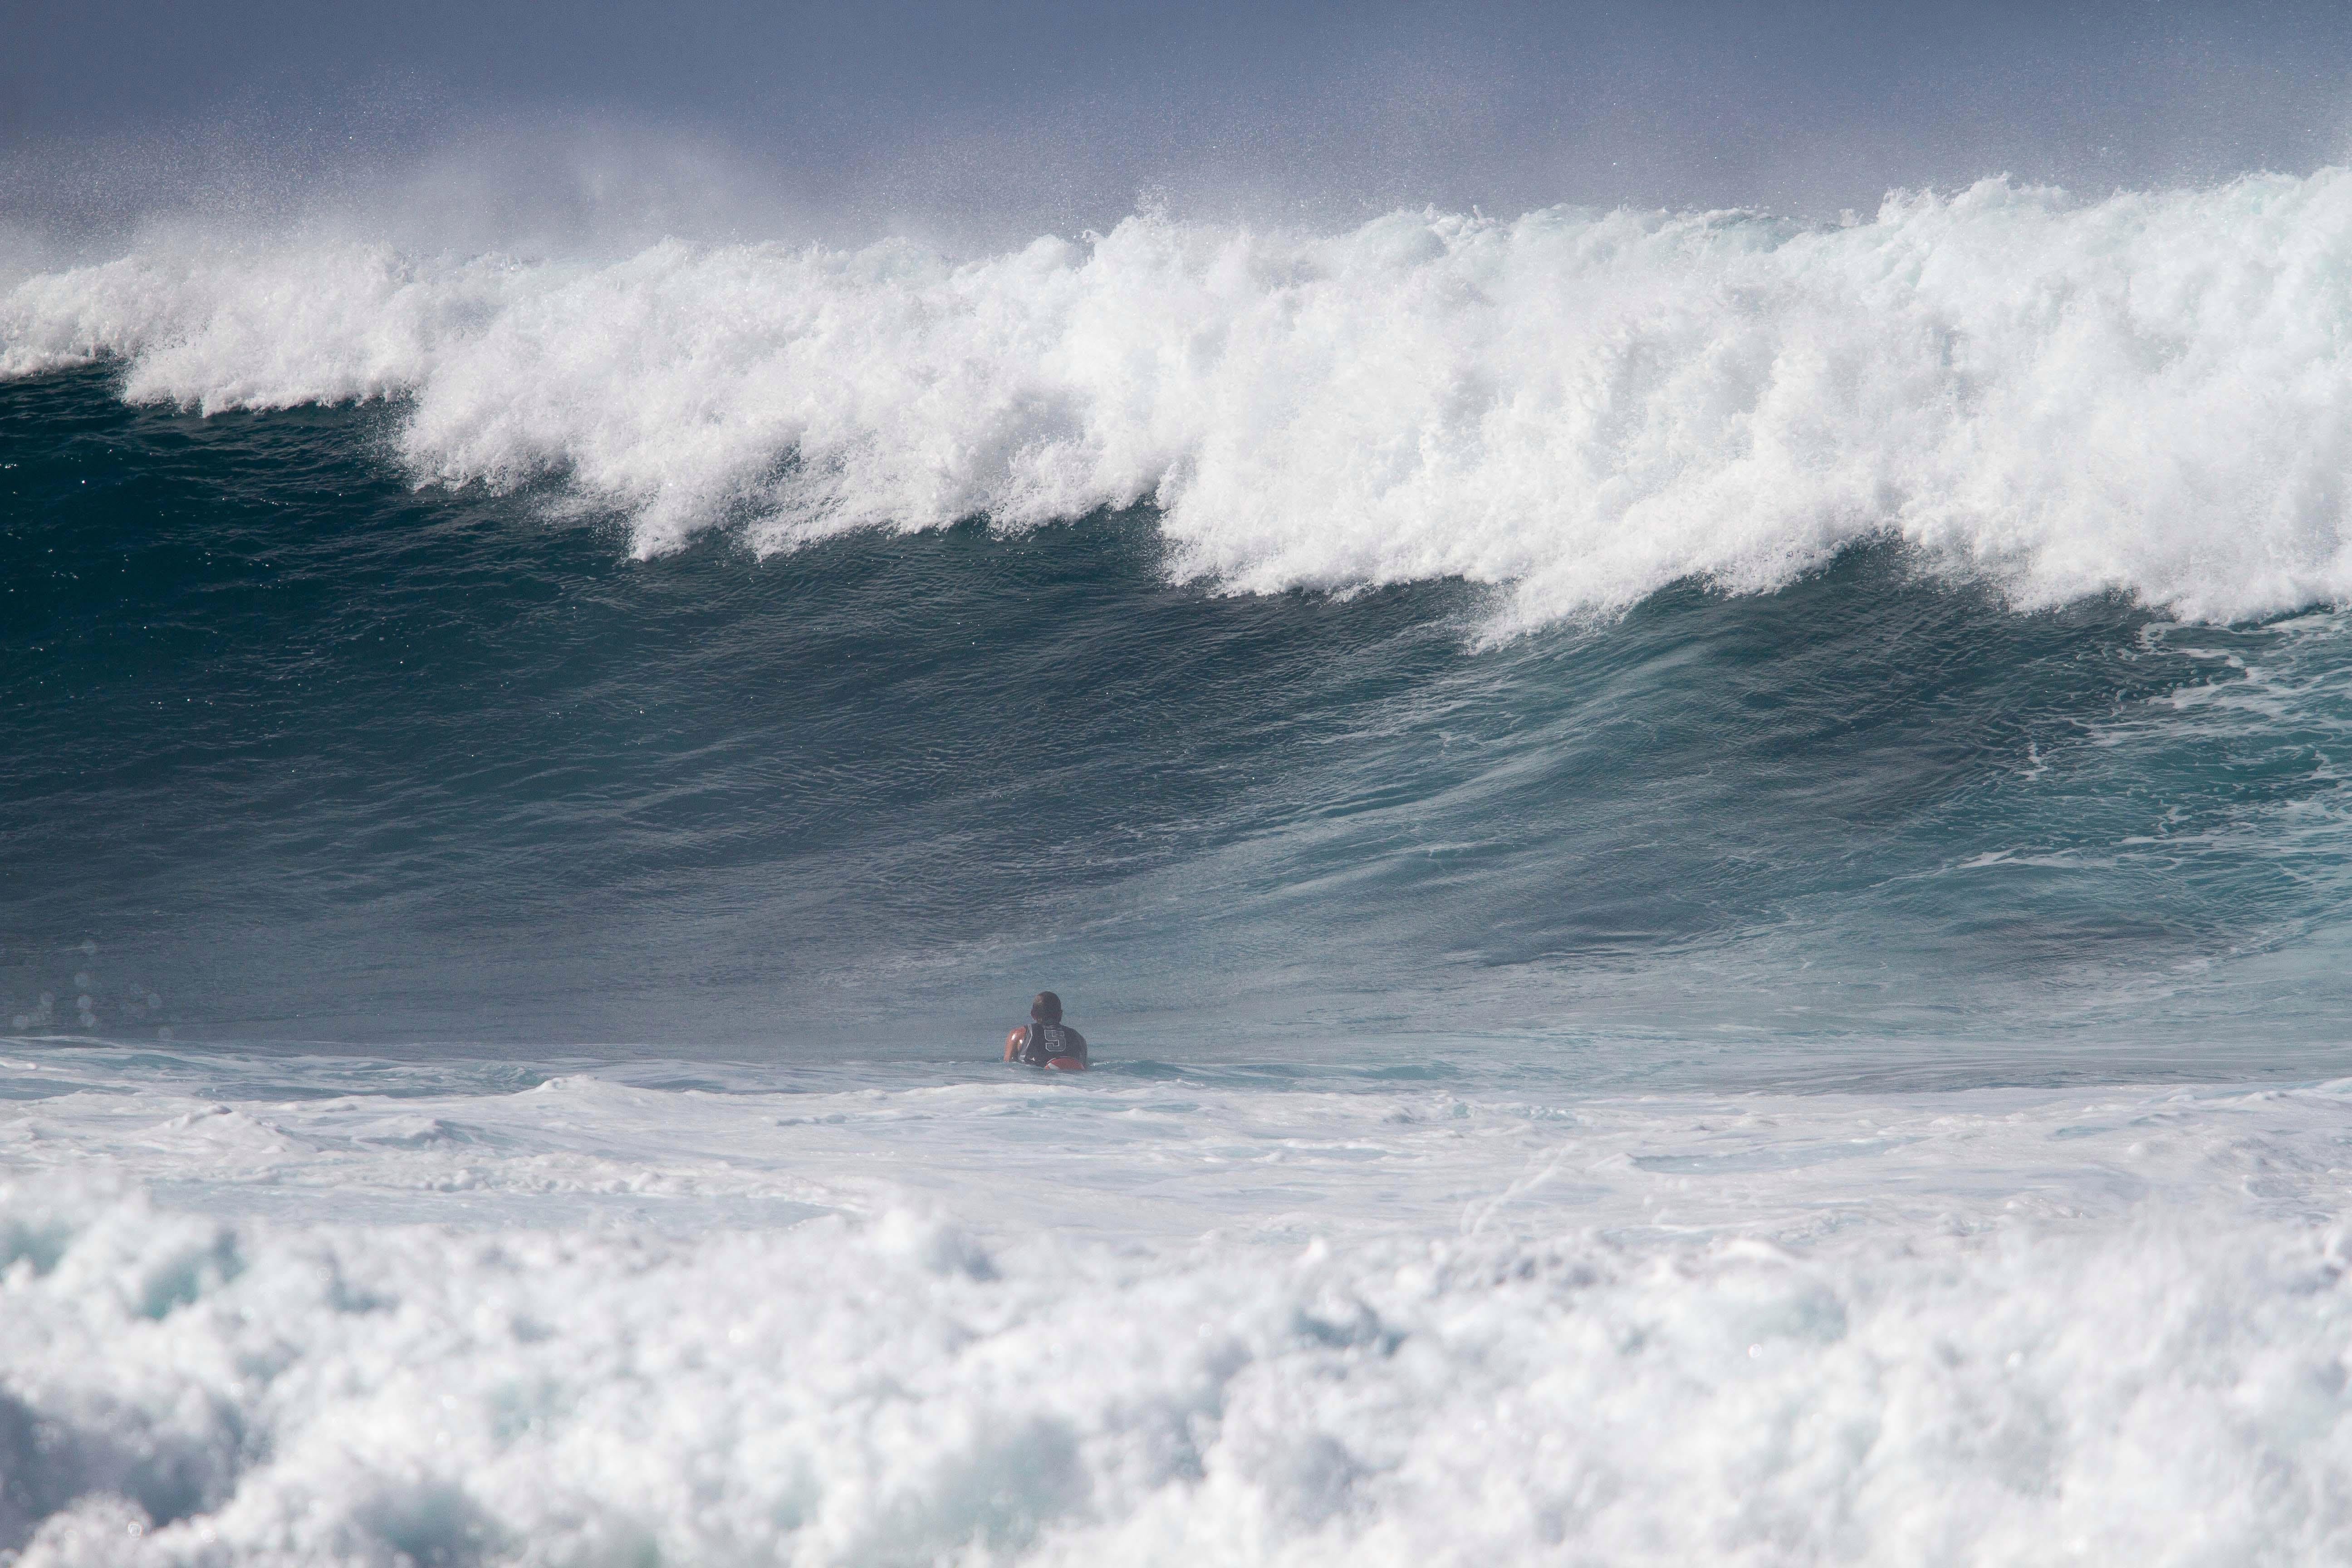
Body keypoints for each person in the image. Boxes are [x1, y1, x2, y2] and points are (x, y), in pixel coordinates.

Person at [1004, 991, 1088, 1070]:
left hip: (1036, 1080)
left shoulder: (1019, 1034)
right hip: (1075, 1081)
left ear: (1033, 1015)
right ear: (1060, 1014)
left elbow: (1009, 1068)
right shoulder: (1079, 1038)